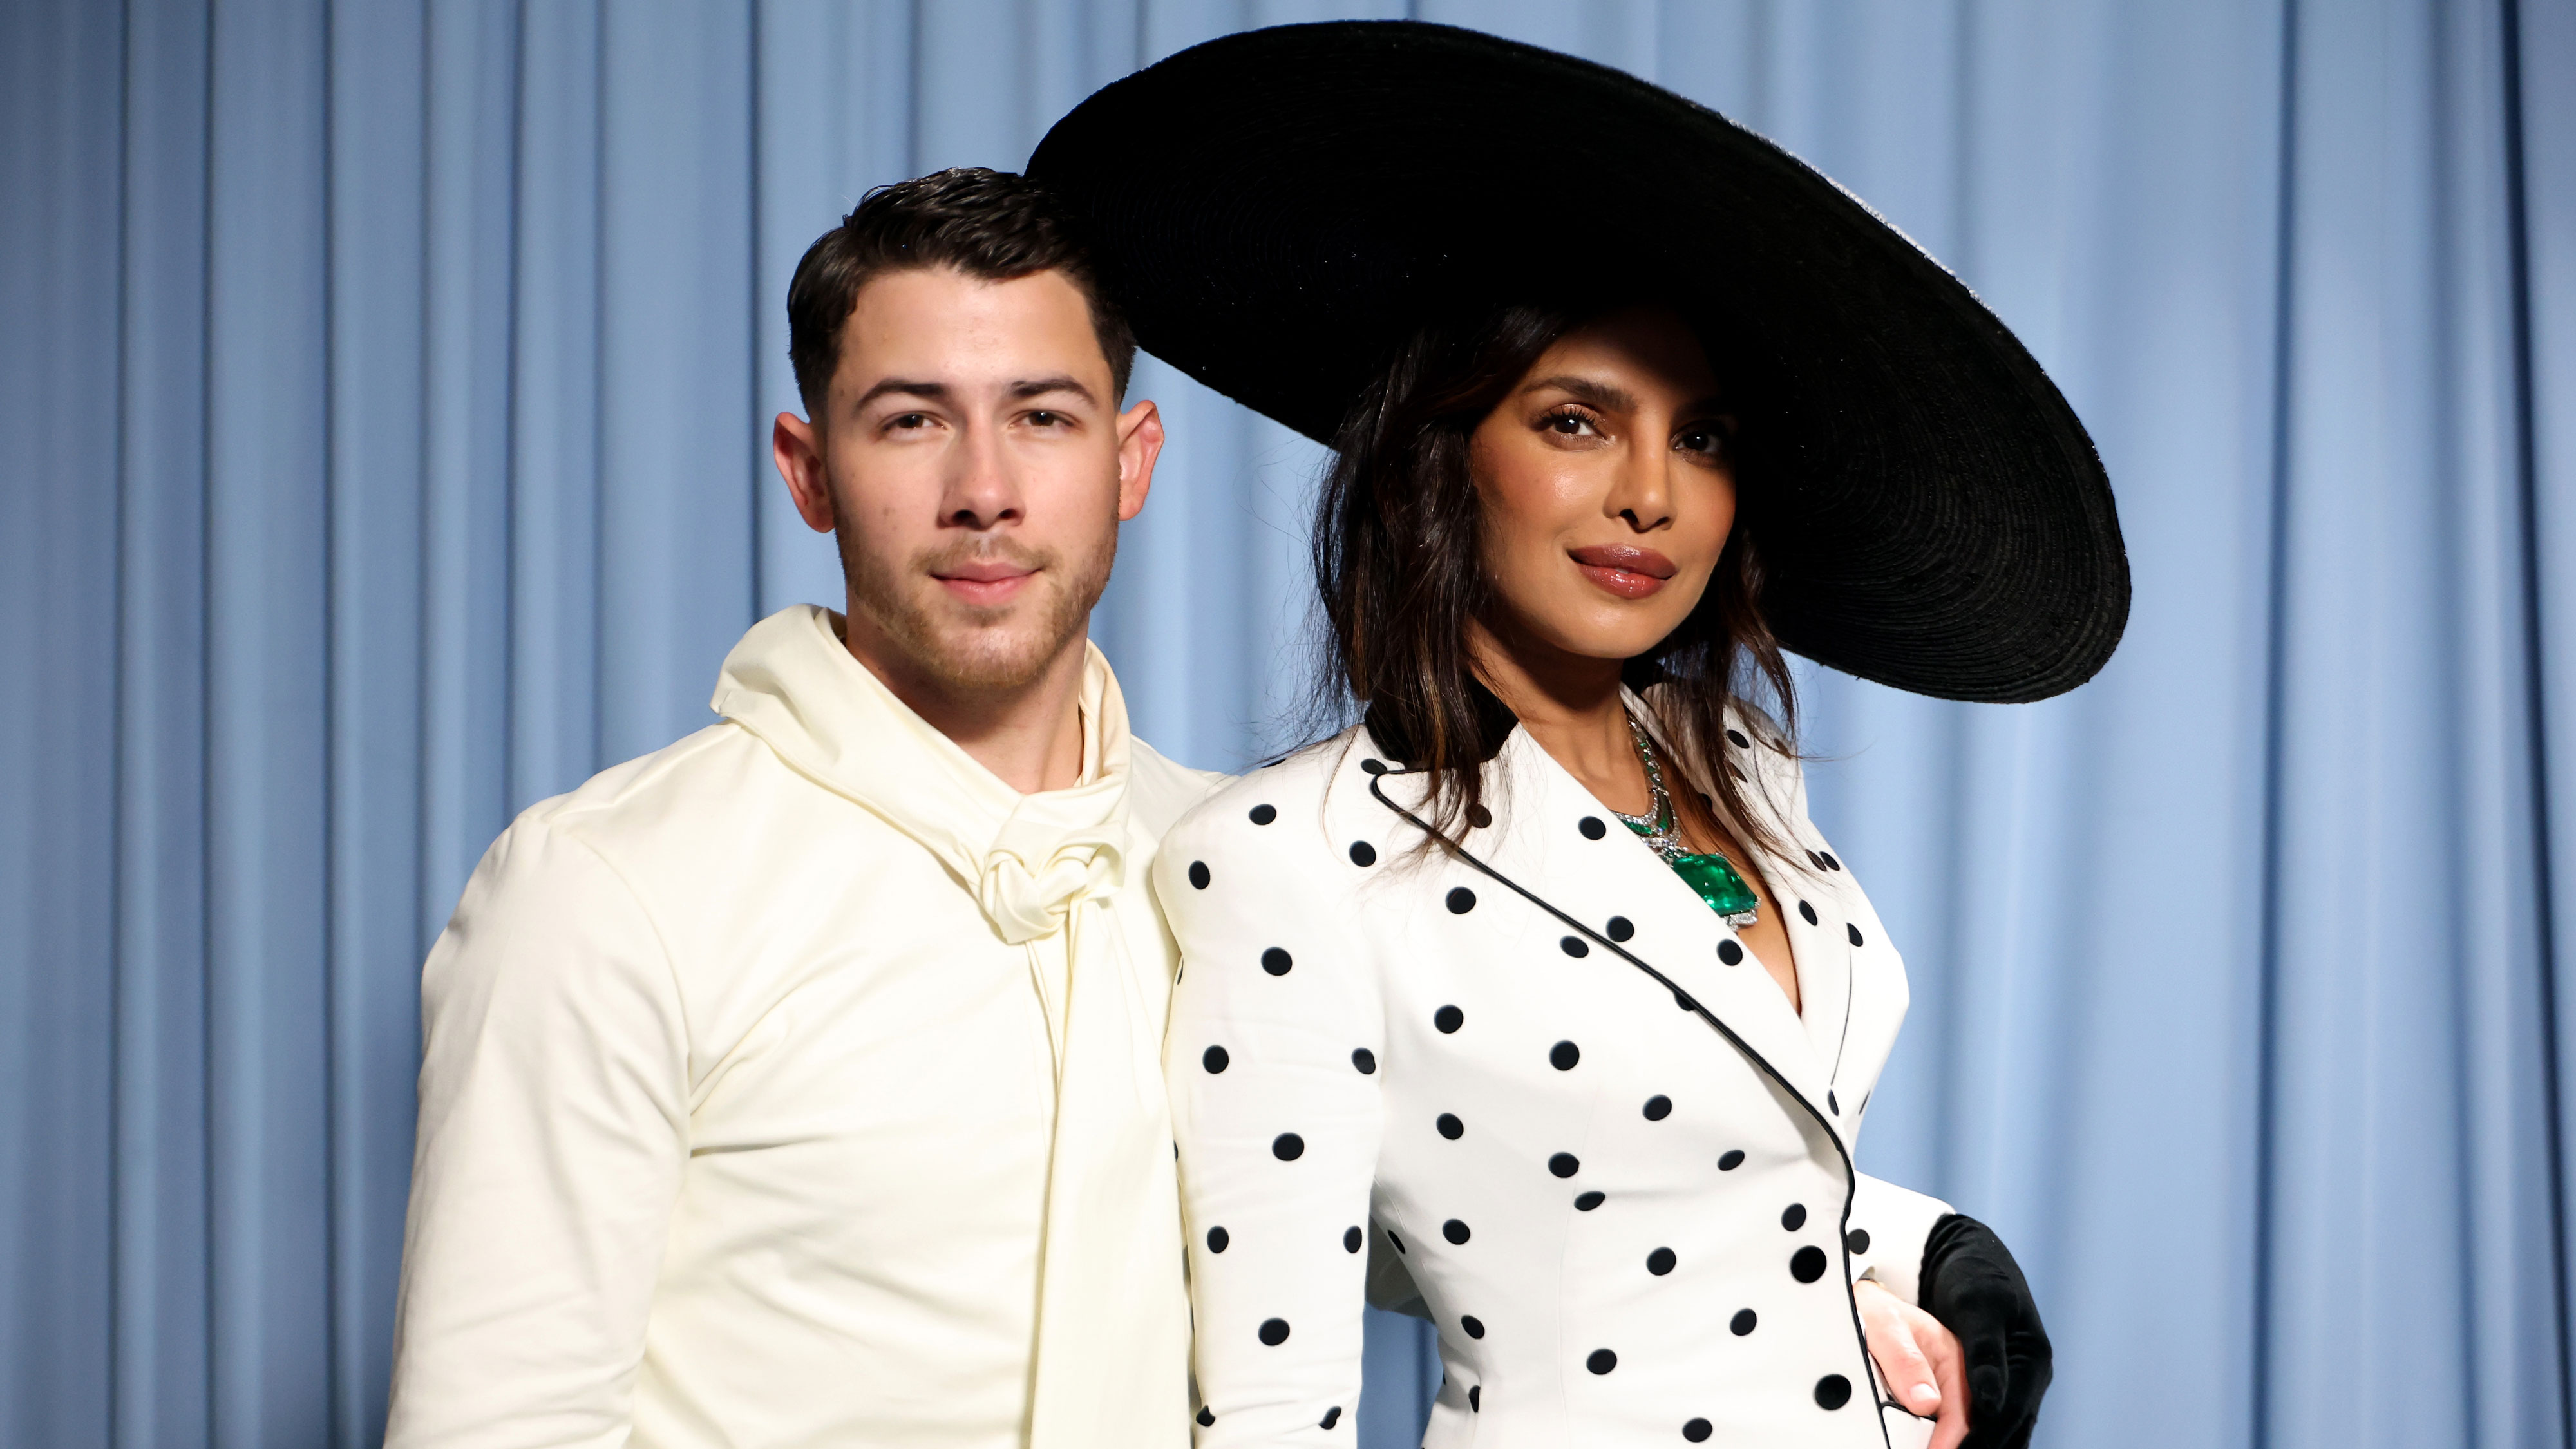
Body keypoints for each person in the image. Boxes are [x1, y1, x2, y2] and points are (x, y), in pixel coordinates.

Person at [1028, 22, 2108, 1449]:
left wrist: (1915, 1254)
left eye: (1704, 438)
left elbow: (1707, 1166)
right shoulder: (1290, 862)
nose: (1651, 494)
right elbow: (1276, 1398)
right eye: (1576, 421)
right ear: (1443, 454)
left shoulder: (1738, 768)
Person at [382, 168, 1210, 1449]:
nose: (982, 490)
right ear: (808, 469)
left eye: (1042, 417)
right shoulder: (607, 891)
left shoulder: (1241, 869)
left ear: (1130, 460)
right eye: (909, 422)